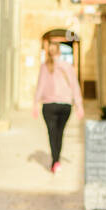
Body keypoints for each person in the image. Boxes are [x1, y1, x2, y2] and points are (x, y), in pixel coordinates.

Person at [33, 37, 84, 173]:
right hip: (64, 105)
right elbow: (74, 85)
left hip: (49, 105)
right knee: (59, 133)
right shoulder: (67, 66)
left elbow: (40, 86)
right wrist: (79, 105)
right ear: (59, 52)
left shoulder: (45, 67)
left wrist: (35, 104)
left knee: (52, 133)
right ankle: (57, 161)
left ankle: (55, 160)